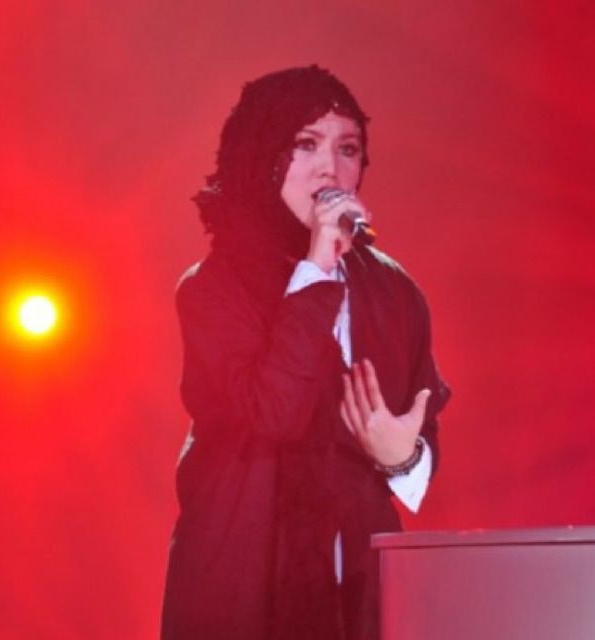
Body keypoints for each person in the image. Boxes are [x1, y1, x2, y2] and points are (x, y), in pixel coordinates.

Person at [160, 65, 450, 640]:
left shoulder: (394, 291)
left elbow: (422, 427)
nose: (330, 168)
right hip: (240, 589)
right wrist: (317, 268)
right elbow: (274, 410)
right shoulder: (214, 288)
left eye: (348, 149)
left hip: (358, 590)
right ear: (260, 153)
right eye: (305, 143)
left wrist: (403, 457)